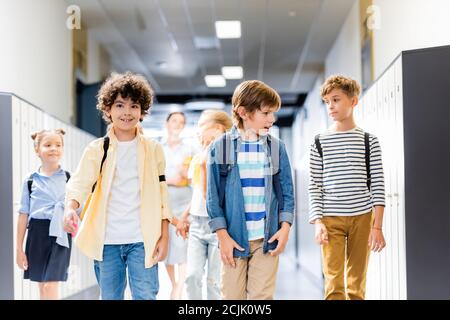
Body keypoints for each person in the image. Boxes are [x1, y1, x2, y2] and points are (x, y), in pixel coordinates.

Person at [63, 71, 172, 300]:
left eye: (134, 106)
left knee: (146, 296)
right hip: (107, 241)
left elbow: (163, 195)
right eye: (120, 105)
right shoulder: (97, 149)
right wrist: (70, 208)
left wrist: (164, 236)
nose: (127, 112)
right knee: (110, 297)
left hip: (143, 239)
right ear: (108, 109)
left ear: (142, 111)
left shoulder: (153, 150)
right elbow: (80, 184)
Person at [206, 80, 295, 300]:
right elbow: (213, 197)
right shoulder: (224, 146)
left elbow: (286, 192)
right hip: (233, 239)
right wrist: (223, 236)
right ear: (243, 112)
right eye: (266, 113)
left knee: (261, 299)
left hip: (267, 240)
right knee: (232, 298)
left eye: (273, 113)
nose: (271, 119)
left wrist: (285, 228)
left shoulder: (275, 147)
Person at [308, 75, 386, 300]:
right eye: (327, 102)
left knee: (356, 282)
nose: (330, 106)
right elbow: (314, 185)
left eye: (336, 99)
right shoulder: (319, 142)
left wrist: (377, 227)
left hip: (362, 217)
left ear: (353, 101)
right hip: (330, 218)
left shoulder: (369, 141)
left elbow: (378, 184)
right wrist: (318, 222)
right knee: (333, 282)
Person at [176, 110, 232, 300]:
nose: (197, 133)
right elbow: (198, 194)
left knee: (214, 281)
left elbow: (212, 196)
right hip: (197, 225)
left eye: (201, 127)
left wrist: (205, 166)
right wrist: (184, 217)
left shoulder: (227, 156)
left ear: (218, 129)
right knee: (192, 277)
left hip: (219, 227)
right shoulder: (200, 156)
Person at [16, 129, 72, 300]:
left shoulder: (69, 178)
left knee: (50, 286)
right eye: (48, 145)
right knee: (42, 287)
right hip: (37, 234)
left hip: (60, 234)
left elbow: (78, 211)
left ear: (62, 149)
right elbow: (23, 214)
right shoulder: (30, 180)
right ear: (37, 149)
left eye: (58, 145)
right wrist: (19, 249)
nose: (53, 148)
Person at [160, 111, 194, 299]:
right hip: (165, 202)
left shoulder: (190, 148)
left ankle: (179, 289)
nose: (177, 124)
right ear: (167, 123)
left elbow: (193, 175)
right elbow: (153, 175)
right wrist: (168, 179)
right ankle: (174, 285)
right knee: (169, 245)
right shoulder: (158, 147)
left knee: (182, 242)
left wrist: (183, 175)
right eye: (174, 120)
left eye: (181, 122)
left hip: (184, 200)